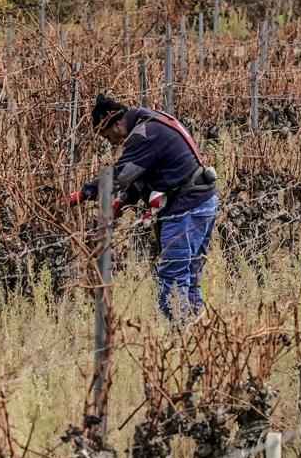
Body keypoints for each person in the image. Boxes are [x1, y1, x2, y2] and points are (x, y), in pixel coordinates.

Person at [74, 94, 219, 322]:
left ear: (118, 124)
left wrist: (80, 195)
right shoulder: (150, 119)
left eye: (108, 135)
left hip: (185, 208)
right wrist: (124, 201)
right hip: (202, 200)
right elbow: (146, 169)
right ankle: (194, 333)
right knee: (190, 273)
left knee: (173, 277)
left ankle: (180, 335)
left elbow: (120, 176)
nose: (110, 142)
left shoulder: (144, 136)